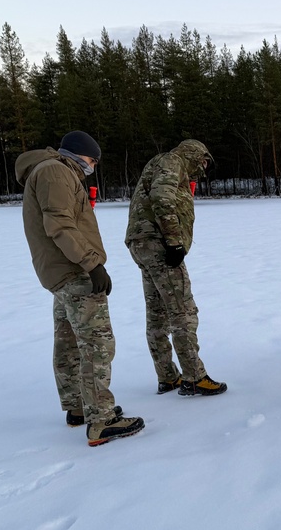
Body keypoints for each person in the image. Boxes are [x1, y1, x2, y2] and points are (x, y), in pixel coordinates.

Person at [17, 130, 146, 447]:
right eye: (92, 161)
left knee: (69, 342)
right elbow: (59, 224)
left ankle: (79, 407)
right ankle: (101, 420)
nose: (92, 168)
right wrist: (92, 264)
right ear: (78, 154)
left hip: (60, 273)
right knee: (97, 344)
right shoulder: (56, 171)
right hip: (74, 271)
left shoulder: (49, 170)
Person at [125, 139, 227, 396]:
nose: (203, 169)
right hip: (158, 244)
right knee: (183, 311)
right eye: (203, 162)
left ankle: (168, 376)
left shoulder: (159, 163)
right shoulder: (173, 162)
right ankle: (194, 377)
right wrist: (173, 242)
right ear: (194, 154)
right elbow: (162, 197)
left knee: (158, 313)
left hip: (142, 243)